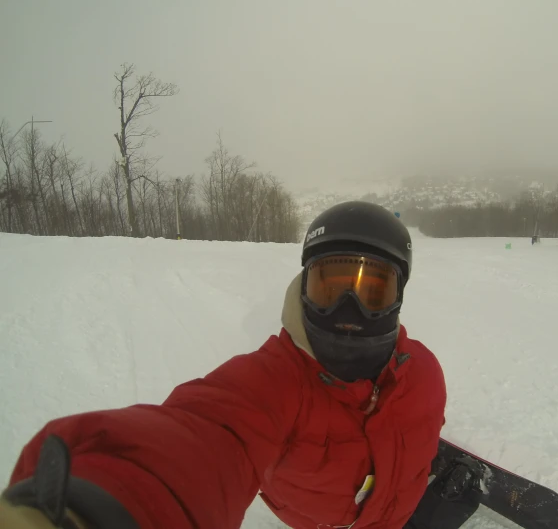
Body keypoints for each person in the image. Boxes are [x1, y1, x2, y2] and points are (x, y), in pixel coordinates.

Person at [0, 201, 447, 529]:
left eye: (373, 293)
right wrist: (106, 504)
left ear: (399, 297)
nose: (349, 310)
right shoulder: (274, 379)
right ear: (304, 288)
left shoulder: (424, 372)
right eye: (331, 290)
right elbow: (207, 434)